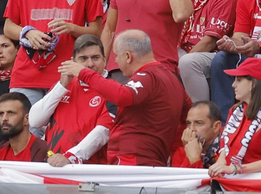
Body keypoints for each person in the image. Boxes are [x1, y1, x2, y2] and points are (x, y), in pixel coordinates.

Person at [60, 30, 186, 166]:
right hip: (152, 161)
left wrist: (83, 73)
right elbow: (188, 115)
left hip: (133, 162)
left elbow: (122, 95)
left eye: (116, 55)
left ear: (127, 56)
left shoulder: (148, 76)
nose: (114, 60)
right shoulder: (172, 79)